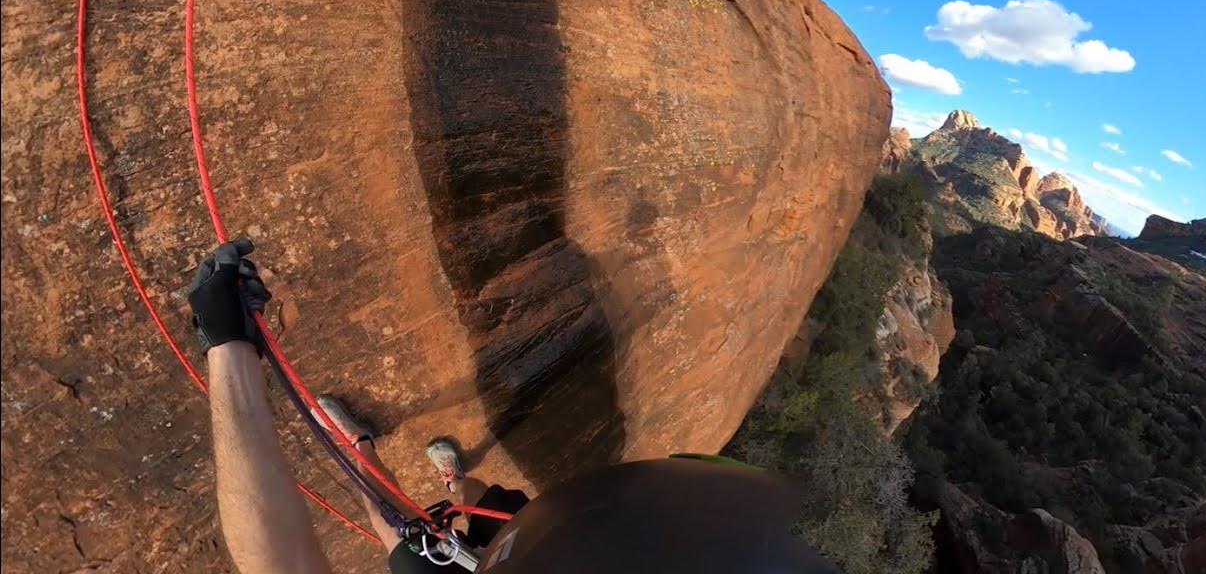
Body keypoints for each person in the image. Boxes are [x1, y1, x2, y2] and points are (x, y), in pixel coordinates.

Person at [188, 240, 840, 574]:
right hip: (549, 536)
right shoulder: (585, 536)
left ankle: (366, 455)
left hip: (552, 540)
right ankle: (448, 484)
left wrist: (228, 348)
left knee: (404, 535)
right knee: (471, 505)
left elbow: (286, 566)